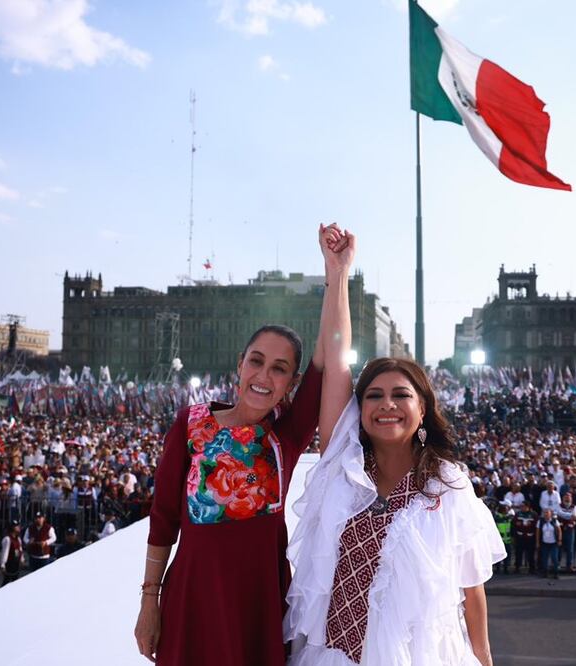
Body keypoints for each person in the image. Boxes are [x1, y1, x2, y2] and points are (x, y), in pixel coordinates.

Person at [135, 223, 351, 665]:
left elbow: (329, 355)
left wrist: (337, 273)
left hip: (260, 605)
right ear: (240, 364)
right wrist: (148, 602)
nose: (263, 376)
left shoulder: (285, 437)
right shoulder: (190, 425)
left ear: (292, 383)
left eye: (279, 369)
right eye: (256, 361)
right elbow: (163, 521)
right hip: (192, 601)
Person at [284, 357, 505, 665]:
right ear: (359, 411)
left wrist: (484, 658)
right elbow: (335, 357)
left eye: (401, 395)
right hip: (338, 654)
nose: (387, 404)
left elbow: (472, 588)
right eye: (374, 396)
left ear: (423, 409)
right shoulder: (343, 477)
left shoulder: (448, 485)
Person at [537, 507, 563, 579]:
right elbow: (538, 532)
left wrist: (560, 540)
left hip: (553, 543)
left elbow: (559, 531)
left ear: (550, 514)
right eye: (545, 513)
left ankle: (556, 573)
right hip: (544, 543)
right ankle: (545, 572)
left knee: (554, 558)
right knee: (544, 559)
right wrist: (537, 542)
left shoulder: (555, 521)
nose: (546, 514)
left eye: (547, 513)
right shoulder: (541, 521)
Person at [0, 522, 24, 586]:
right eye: (17, 526)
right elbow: (5, 552)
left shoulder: (18, 539)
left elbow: (20, 550)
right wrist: (3, 565)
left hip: (16, 563)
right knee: (7, 581)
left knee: (15, 581)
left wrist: (22, 559)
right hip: (9, 563)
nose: (19, 528)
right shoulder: (7, 539)